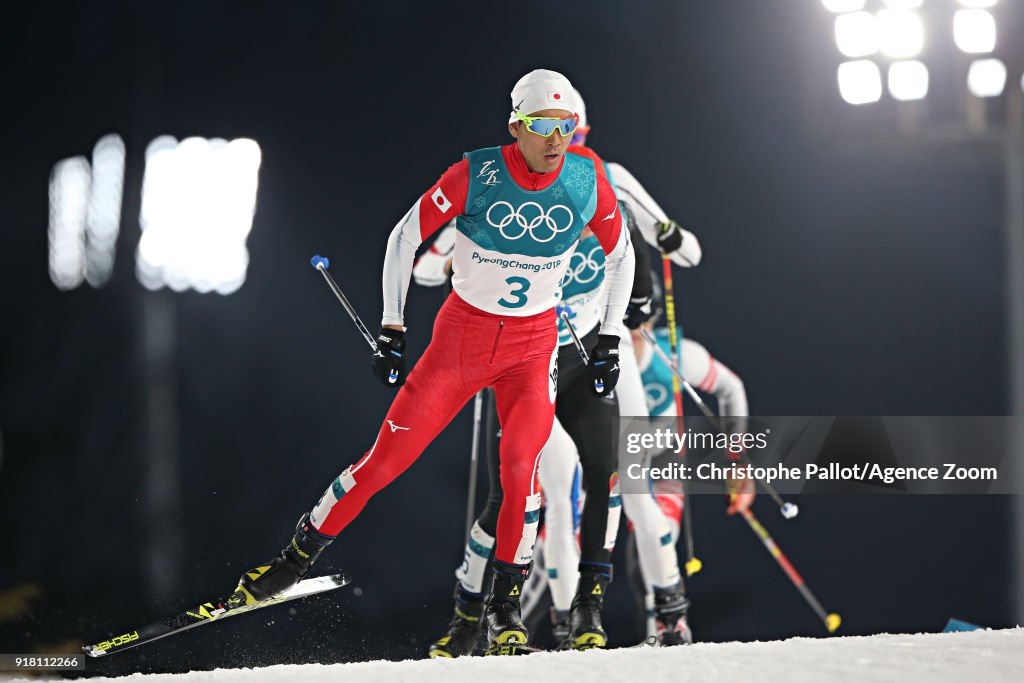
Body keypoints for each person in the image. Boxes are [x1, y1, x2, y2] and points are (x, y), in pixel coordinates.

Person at [232, 69, 635, 655]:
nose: (556, 138)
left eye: (565, 126)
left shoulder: (585, 179)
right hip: (461, 346)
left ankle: (504, 607)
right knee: (383, 464)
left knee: (522, 471)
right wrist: (393, 327)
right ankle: (294, 559)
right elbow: (404, 237)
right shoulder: (477, 173)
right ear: (516, 126)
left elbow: (620, 255)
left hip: (531, 351)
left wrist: (610, 342)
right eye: (544, 126)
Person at [415, 153, 652, 655]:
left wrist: (623, 331)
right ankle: (467, 621)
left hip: (583, 357)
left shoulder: (610, 214)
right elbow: (428, 269)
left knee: (606, 471)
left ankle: (588, 607)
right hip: (527, 360)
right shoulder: (526, 207)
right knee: (511, 495)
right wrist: (465, 256)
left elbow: (640, 290)